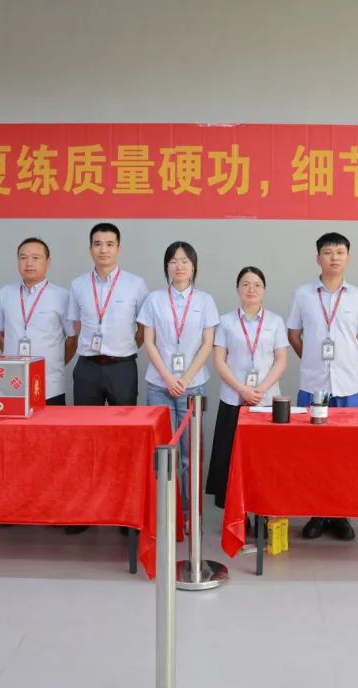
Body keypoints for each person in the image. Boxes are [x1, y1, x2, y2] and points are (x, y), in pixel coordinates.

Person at [287, 232, 358, 542]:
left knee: (345, 451)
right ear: (318, 258)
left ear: (348, 257)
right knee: (314, 453)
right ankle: (317, 513)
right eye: (327, 252)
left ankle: (340, 514)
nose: (334, 257)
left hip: (348, 386)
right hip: (313, 386)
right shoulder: (303, 295)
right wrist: (314, 361)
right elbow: (294, 335)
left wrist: (340, 361)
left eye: (339, 252)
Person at [206, 266, 289, 531]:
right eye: (245, 284)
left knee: (264, 462)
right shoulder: (226, 321)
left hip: (266, 402)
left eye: (257, 285)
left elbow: (281, 360)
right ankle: (238, 517)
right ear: (237, 289)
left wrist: (260, 389)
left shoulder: (275, 321)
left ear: (264, 290)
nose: (251, 289)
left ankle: (263, 514)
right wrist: (242, 389)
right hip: (234, 399)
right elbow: (219, 361)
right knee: (232, 460)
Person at [139, 241, 220, 512]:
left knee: (190, 454)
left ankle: (188, 513)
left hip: (193, 387)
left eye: (185, 261)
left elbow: (207, 344)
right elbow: (149, 342)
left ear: (193, 266)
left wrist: (185, 379)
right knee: (162, 451)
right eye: (173, 261)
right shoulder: (154, 299)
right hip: (158, 386)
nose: (179, 266)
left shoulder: (205, 301)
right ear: (167, 266)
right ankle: (164, 513)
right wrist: (168, 378)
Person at [67, 223, 149, 409]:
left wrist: (122, 349)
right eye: (97, 244)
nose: (103, 250)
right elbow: (77, 326)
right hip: (87, 367)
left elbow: (143, 329)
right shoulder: (78, 285)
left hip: (122, 368)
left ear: (119, 249)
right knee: (85, 423)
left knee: (124, 424)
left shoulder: (135, 284)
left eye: (110, 244)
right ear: (90, 249)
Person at [0, 237, 75, 405]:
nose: (29, 263)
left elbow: (72, 338)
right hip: (13, 383)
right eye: (23, 258)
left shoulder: (62, 296)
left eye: (36, 258)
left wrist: (57, 363)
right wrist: (13, 358)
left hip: (50, 384)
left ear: (48, 262)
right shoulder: (5, 293)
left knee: (51, 422)